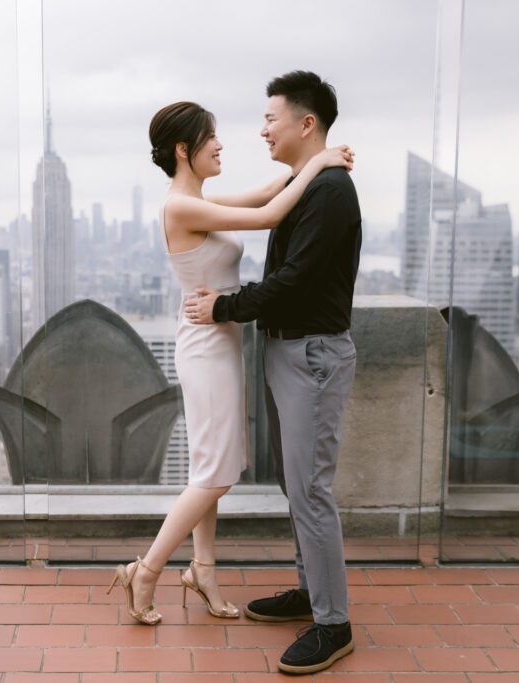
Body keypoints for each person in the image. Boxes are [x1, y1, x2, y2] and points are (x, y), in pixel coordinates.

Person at [106, 100, 353, 627]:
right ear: (183, 149)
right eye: (210, 137)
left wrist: (316, 159)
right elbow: (268, 216)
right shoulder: (180, 207)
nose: (220, 144)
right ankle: (145, 571)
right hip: (205, 348)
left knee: (209, 467)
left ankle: (204, 571)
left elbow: (268, 194)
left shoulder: (201, 200)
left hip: (220, 343)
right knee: (216, 475)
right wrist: (321, 161)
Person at [183, 71, 362, 675]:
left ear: (305, 123)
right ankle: (312, 593)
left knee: (310, 488)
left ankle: (333, 624)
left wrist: (223, 308)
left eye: (270, 119)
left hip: (313, 355)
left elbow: (294, 282)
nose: (262, 130)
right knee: (295, 483)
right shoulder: (306, 182)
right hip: (290, 352)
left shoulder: (330, 192)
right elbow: (265, 208)